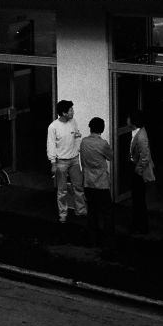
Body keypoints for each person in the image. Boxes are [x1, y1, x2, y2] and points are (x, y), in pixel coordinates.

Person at [46, 99, 86, 224]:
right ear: (63, 113)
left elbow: (77, 135)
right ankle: (63, 214)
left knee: (78, 187)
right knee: (62, 190)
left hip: (74, 160)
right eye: (71, 110)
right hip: (61, 162)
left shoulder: (73, 121)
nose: (73, 112)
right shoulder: (53, 126)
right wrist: (53, 162)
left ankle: (81, 211)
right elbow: (51, 145)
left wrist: (78, 148)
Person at [79, 116, 114, 246]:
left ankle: (92, 239)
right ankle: (108, 239)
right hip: (101, 182)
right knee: (107, 212)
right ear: (102, 129)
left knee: (92, 211)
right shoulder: (103, 144)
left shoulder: (84, 142)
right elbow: (110, 157)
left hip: (88, 181)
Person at [127, 109, 155, 234]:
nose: (126, 120)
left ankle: (141, 226)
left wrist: (138, 170)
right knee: (138, 198)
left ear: (133, 121)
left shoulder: (141, 137)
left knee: (139, 199)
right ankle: (138, 224)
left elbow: (145, 157)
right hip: (136, 167)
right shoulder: (136, 131)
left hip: (139, 171)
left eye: (128, 118)